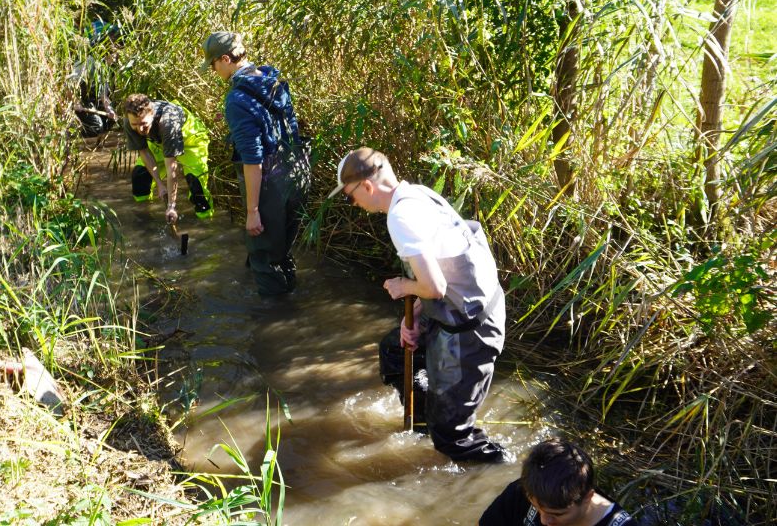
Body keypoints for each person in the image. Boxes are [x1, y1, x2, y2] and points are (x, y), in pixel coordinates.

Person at [328, 148, 505, 462]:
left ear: (366, 187)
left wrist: (401, 287)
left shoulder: (401, 217)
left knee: (452, 438)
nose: (352, 204)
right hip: (460, 305)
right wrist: (416, 315)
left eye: (349, 197)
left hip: (472, 326)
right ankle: (427, 420)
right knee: (395, 351)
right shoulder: (416, 195)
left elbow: (434, 286)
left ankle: (501, 471)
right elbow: (444, 268)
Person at [201, 31, 310, 296]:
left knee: (264, 257)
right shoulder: (273, 78)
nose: (214, 71)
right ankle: (292, 303)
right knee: (282, 249)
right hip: (298, 172)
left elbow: (253, 159)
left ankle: (273, 324)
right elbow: (287, 127)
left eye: (213, 65)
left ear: (225, 59)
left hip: (270, 181)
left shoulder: (237, 100)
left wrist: (252, 211)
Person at [480, 439, 638, 526]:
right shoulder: (524, 490)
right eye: (536, 508)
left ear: (588, 497)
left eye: (557, 514)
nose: (544, 521)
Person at [122, 93, 214, 222]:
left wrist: (171, 206)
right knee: (140, 176)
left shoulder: (168, 123)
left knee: (196, 187)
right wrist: (160, 184)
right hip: (159, 142)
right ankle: (144, 217)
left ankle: (206, 222)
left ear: (152, 114)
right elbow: (144, 152)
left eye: (143, 123)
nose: (140, 129)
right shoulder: (129, 120)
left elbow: (172, 169)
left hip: (191, 141)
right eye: (135, 125)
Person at [70, 21, 120, 137]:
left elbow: (104, 94)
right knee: (96, 127)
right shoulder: (88, 61)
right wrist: (76, 102)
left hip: (94, 100)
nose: (115, 46)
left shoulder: (105, 65)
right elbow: (69, 84)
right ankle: (76, 131)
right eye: (111, 41)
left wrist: (109, 109)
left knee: (110, 123)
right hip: (81, 101)